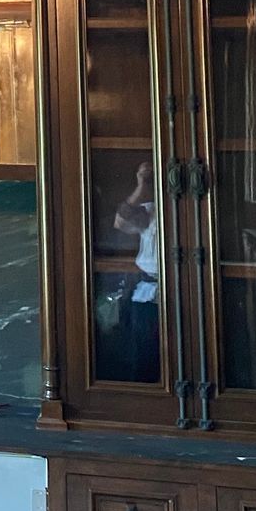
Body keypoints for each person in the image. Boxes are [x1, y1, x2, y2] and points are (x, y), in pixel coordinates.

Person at [105, 160, 161, 381]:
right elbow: (121, 222)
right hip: (149, 292)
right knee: (146, 353)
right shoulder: (149, 210)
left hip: (186, 289)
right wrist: (141, 185)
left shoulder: (196, 210)